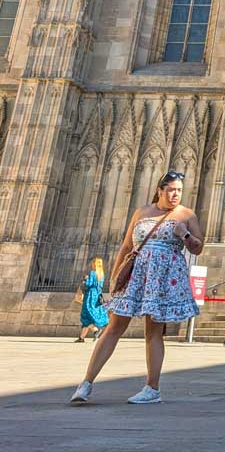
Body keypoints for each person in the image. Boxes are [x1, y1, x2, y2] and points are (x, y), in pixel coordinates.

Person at [69, 170, 203, 405]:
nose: (175, 194)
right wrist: (115, 276)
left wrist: (185, 235)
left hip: (162, 280)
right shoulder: (142, 212)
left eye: (179, 190)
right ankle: (86, 384)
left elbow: (198, 248)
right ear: (160, 190)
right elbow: (126, 245)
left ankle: (152, 388)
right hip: (136, 276)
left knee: (153, 331)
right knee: (113, 328)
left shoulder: (186, 215)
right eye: (171, 190)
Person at [77, 257, 109, 343]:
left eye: (93, 263)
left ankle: (95, 330)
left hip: (90, 295)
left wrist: (85, 280)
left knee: (85, 314)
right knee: (88, 315)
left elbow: (88, 284)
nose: (92, 264)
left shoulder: (92, 273)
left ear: (95, 264)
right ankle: (81, 337)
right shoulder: (101, 275)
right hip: (97, 295)